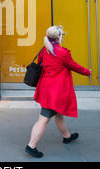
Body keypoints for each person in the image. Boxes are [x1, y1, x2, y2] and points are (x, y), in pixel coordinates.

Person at [25, 26, 91, 158]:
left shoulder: (45, 50)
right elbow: (73, 65)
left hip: (47, 88)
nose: (63, 38)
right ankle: (31, 146)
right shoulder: (62, 52)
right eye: (62, 36)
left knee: (59, 113)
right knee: (43, 119)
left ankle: (66, 136)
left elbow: (42, 65)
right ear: (58, 37)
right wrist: (87, 72)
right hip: (56, 91)